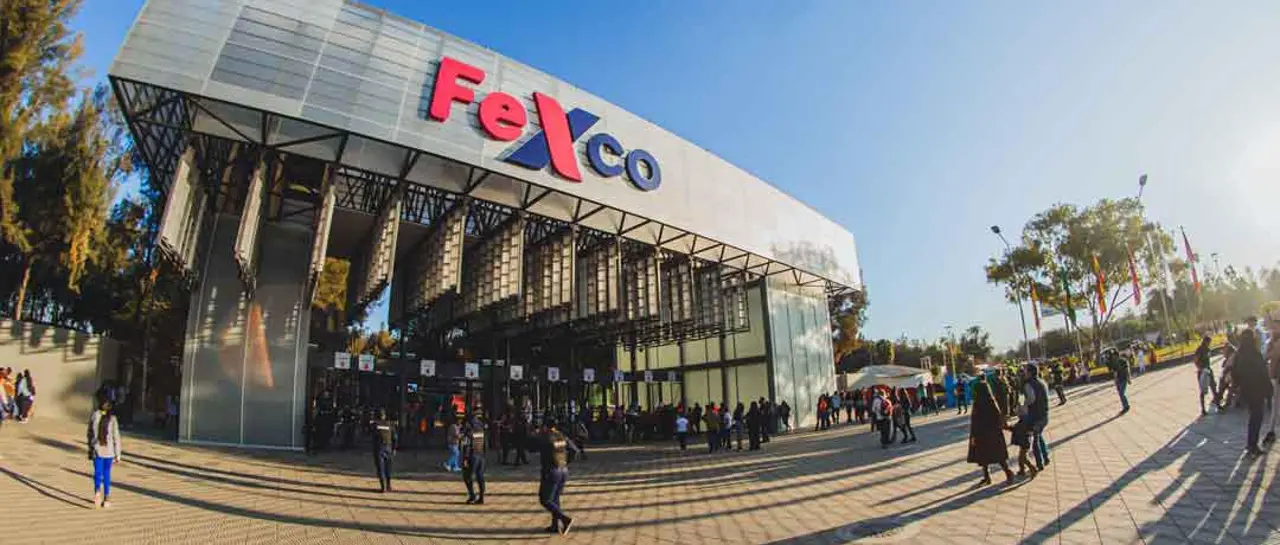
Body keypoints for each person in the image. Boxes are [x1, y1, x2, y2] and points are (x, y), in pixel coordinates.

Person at [1230, 329, 1273, 456]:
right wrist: (1268, 389)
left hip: (1246, 391)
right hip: (1257, 390)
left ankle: (1251, 444)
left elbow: (1234, 374)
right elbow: (1263, 372)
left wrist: (1238, 386)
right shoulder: (1255, 354)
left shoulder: (1239, 354)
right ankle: (1252, 445)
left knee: (1253, 417)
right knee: (1257, 418)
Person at [535, 418, 579, 535]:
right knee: (555, 498)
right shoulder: (562, 435)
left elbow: (531, 447)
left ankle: (565, 519)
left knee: (545, 499)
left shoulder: (546, 437)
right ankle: (555, 525)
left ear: (545, 426)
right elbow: (574, 450)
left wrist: (535, 435)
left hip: (551, 470)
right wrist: (565, 462)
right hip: (563, 470)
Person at [968, 380, 1014, 485]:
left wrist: (973, 436)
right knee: (998, 456)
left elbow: (975, 421)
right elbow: (999, 417)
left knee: (983, 456)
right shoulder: (992, 401)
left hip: (981, 435)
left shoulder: (977, 404)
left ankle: (988, 477)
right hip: (994, 434)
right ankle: (1007, 473)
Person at [87, 398, 122, 508]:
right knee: (106, 474)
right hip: (109, 451)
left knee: (98, 472)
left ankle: (97, 492)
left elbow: (90, 433)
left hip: (98, 450)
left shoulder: (95, 415)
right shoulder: (113, 418)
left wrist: (90, 447)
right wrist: (118, 454)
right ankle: (106, 497)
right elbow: (116, 437)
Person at [1021, 364, 1050, 470]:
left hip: (1036, 416)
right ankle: (1046, 457)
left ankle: (1039, 463)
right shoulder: (1042, 382)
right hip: (1044, 414)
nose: (1024, 373)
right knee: (1039, 436)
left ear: (1030, 372)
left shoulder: (1029, 384)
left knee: (1035, 441)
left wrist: (1024, 405)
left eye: (1025, 371)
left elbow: (1031, 399)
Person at [369, 408, 397, 492]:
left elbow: (372, 435)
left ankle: (383, 487)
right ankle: (389, 485)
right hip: (388, 447)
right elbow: (395, 437)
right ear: (384, 416)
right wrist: (394, 448)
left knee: (380, 468)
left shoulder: (374, 425)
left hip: (379, 448)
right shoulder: (390, 424)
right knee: (388, 468)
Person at [462, 412, 487, 504]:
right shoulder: (481, 429)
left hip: (472, 456)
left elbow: (467, 445)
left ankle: (472, 495)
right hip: (481, 455)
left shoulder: (469, 430)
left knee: (467, 476)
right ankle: (481, 497)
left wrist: (465, 458)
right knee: (480, 477)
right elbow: (485, 444)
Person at [1194, 336, 1218, 415]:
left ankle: (1217, 404)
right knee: (1203, 390)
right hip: (1202, 371)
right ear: (1205, 341)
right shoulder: (1200, 350)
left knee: (1213, 386)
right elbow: (1196, 361)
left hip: (1208, 369)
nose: (1209, 344)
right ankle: (1203, 409)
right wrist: (1201, 368)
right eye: (1208, 342)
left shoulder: (1208, 349)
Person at [1105, 349, 1132, 413]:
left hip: (1123, 379)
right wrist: (1115, 381)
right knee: (1120, 394)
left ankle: (1126, 406)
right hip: (1119, 380)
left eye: (1114, 355)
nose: (1113, 357)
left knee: (1121, 393)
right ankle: (1125, 406)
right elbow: (1114, 372)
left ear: (1116, 355)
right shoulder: (1112, 362)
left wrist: (1128, 378)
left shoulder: (1122, 360)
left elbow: (1127, 369)